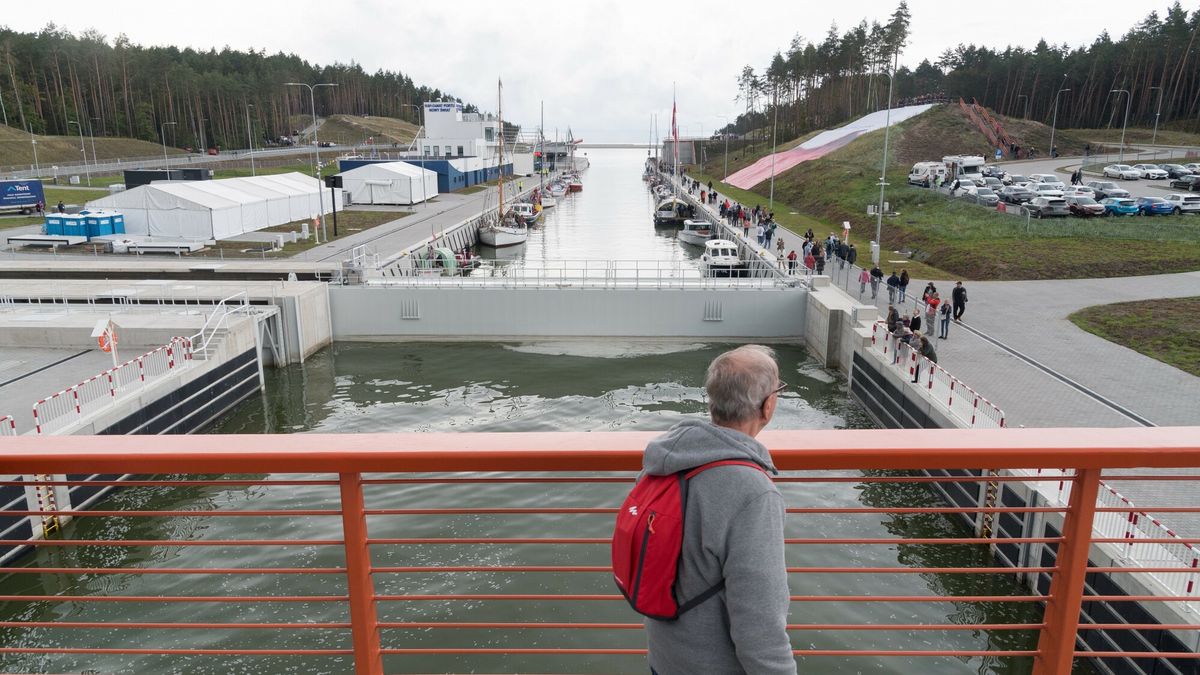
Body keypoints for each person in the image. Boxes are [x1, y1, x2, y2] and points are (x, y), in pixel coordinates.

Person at [641, 345, 797, 675]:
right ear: (767, 407)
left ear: (714, 400)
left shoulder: (666, 459)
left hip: (664, 659)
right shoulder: (753, 494)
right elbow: (761, 626)